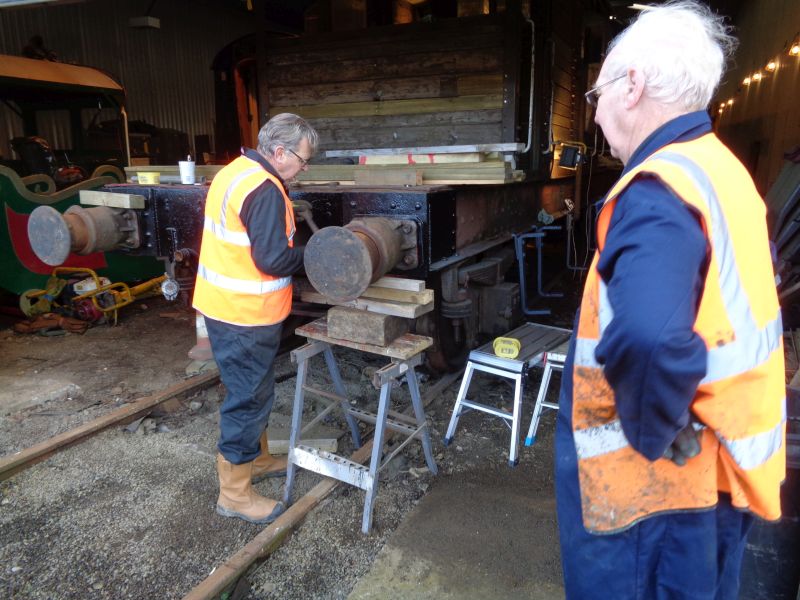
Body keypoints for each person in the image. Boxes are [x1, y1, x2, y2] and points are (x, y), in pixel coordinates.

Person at [555, 2, 786, 598]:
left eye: (597, 94)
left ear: (631, 86)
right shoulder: (722, 170)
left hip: (655, 497)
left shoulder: (657, 189)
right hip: (715, 473)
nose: (597, 113)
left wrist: (655, 434)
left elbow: (649, 338)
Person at [193, 113, 318, 524]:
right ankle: (234, 494)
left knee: (254, 390)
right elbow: (273, 260)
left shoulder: (237, 171)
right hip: (245, 315)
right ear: (279, 152)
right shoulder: (263, 190)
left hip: (223, 307)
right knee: (247, 398)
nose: (303, 169)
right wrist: (315, 254)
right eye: (302, 160)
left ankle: (258, 459)